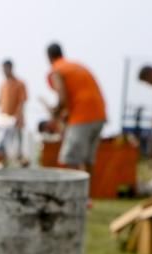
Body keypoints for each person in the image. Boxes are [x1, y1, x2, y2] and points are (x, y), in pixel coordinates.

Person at [46, 43, 107, 173]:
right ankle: (86, 191)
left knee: (70, 158)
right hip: (99, 114)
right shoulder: (77, 66)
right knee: (87, 159)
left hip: (82, 116)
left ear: (49, 58)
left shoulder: (57, 70)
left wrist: (56, 112)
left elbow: (62, 98)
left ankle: (72, 192)